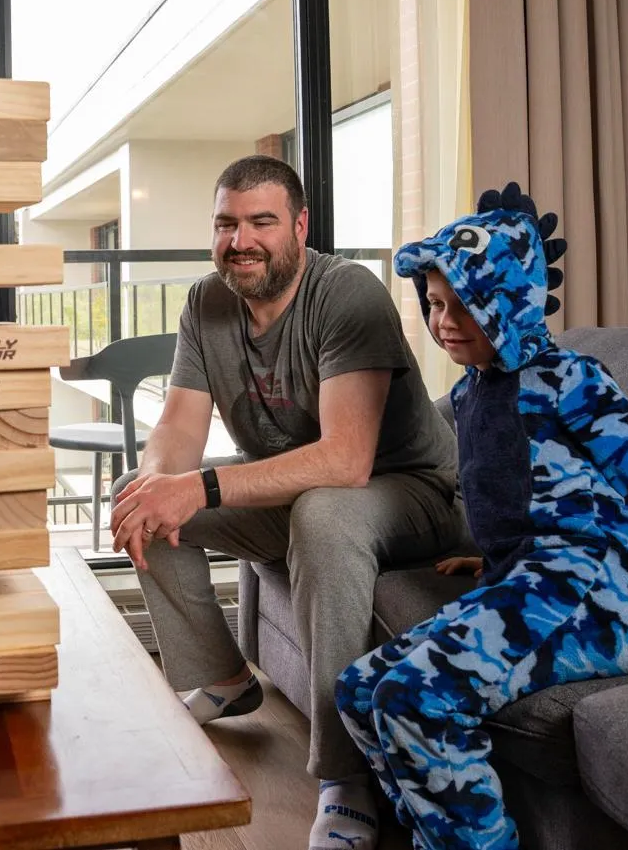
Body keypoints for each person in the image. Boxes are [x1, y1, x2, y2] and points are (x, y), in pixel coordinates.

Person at [334, 183, 628, 850]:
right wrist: (498, 558)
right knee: (361, 686)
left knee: (415, 698)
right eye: (434, 303)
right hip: (532, 577)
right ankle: (435, 829)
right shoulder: (471, 390)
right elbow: (522, 493)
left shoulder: (573, 379)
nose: (445, 321)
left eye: (465, 305)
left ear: (509, 302)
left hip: (597, 593)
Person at [107, 154, 464, 850]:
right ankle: (222, 676)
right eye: (226, 223)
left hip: (412, 493)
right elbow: (179, 427)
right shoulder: (206, 303)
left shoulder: (347, 294)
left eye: (261, 222)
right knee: (138, 490)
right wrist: (157, 483)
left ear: (299, 226)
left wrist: (200, 486)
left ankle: (345, 779)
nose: (240, 240)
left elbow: (345, 458)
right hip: (303, 491)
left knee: (323, 510)